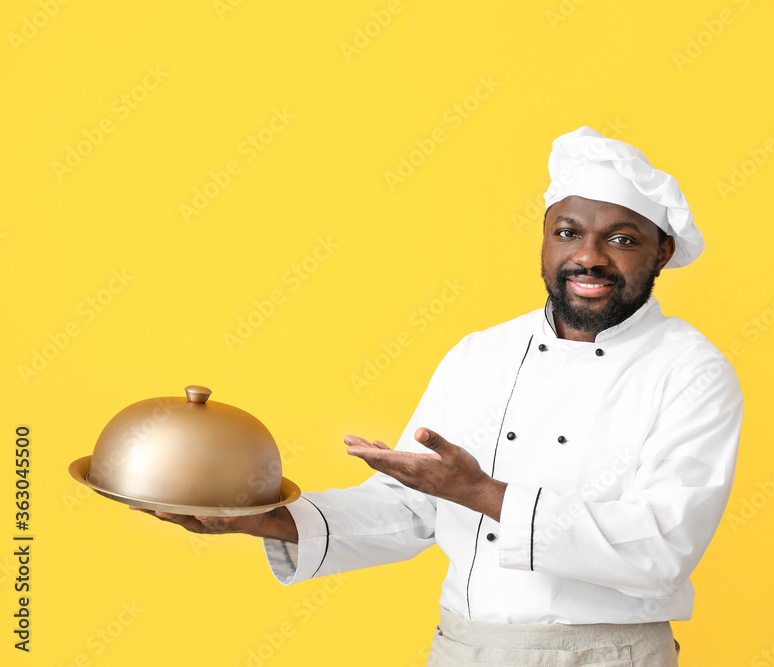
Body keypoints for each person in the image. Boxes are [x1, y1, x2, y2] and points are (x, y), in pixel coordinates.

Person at [137, 126, 743, 666]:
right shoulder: (481, 354)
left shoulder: (689, 371)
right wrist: (265, 520)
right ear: (544, 240)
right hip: (463, 649)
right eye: (568, 232)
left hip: (607, 656)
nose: (588, 256)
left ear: (661, 251)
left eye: (622, 239)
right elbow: (410, 510)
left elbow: (662, 548)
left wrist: (481, 492)